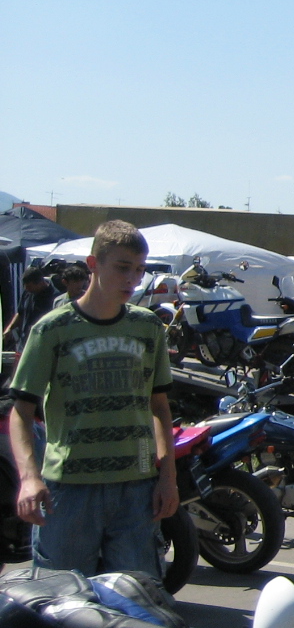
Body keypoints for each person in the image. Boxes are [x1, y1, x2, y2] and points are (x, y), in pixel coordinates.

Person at [7, 221, 178, 578]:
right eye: (122, 267)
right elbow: (21, 412)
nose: (132, 279)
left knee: (136, 597)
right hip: (69, 489)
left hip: (135, 488)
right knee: (63, 598)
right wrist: (29, 477)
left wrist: (167, 478)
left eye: (139, 270)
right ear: (93, 264)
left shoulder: (148, 328)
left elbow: (159, 407)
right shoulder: (52, 329)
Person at [3, 266, 56, 347]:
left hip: (42, 341)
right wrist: (9, 329)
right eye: (25, 286)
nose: (26, 289)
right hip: (24, 340)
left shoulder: (53, 297)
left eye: (29, 286)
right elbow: (20, 313)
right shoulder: (27, 292)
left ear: (40, 283)